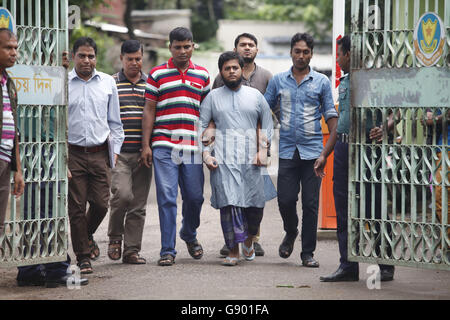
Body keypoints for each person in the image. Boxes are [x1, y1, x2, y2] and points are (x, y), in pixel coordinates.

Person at [320, 35, 395, 282]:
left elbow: (399, 112)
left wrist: (384, 127)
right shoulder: (344, 81)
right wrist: (324, 154)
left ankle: (385, 265)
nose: (338, 59)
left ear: (350, 54)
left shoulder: (378, 80)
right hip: (343, 150)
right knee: (343, 208)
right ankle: (348, 265)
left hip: (368, 150)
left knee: (374, 205)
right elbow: (340, 125)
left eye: (340, 54)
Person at [264, 33, 338, 268]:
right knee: (285, 200)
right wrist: (262, 138)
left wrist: (326, 153)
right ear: (291, 52)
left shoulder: (321, 82)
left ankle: (308, 253)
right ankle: (290, 231)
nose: (301, 56)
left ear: (311, 54)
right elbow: (264, 109)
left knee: (310, 203)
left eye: (306, 52)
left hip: (314, 153)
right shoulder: (277, 80)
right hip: (286, 150)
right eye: (297, 51)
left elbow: (331, 116)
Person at [16, 51, 88, 287]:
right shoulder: (28, 83)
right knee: (41, 211)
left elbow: (59, 127)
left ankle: (40, 268)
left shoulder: (35, 83)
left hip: (40, 153)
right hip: (34, 152)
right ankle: (46, 269)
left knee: (41, 212)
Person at [141, 27, 210, 266]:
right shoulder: (157, 74)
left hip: (191, 147)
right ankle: (167, 250)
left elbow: (207, 113)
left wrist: (209, 143)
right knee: (167, 198)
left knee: (195, 198)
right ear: (170, 47)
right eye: (178, 46)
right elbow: (149, 110)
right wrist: (146, 145)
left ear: (193, 46)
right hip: (163, 145)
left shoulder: (203, 75)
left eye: (187, 46)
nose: (182, 51)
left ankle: (188, 233)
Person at [200, 51, 273, 266]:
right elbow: (202, 126)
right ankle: (233, 251)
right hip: (223, 159)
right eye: (227, 68)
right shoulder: (212, 97)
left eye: (235, 68)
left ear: (242, 70)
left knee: (255, 207)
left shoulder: (256, 96)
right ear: (221, 72)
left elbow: (267, 124)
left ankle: (249, 240)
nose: (231, 71)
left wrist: (262, 151)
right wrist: (206, 155)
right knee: (229, 204)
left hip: (252, 160)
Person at [68, 37, 124, 274]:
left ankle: (86, 234)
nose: (87, 60)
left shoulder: (107, 83)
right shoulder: (63, 82)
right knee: (77, 207)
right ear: (73, 57)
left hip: (100, 152)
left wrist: (115, 152)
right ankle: (83, 256)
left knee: (101, 204)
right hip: (73, 153)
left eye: (91, 56)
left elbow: (115, 123)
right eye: (82, 55)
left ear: (96, 58)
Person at [107, 40, 152, 264]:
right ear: (122, 59)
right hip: (120, 153)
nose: (134, 63)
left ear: (142, 58)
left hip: (144, 153)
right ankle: (115, 237)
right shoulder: (111, 83)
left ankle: (131, 250)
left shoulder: (151, 84)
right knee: (122, 196)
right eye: (130, 59)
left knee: (138, 204)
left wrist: (148, 146)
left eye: (138, 58)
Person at [0, 28, 24, 235]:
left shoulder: (9, 83)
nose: (14, 52)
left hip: (6, 159)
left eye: (15, 48)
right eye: (8, 48)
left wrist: (18, 170)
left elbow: (13, 128)